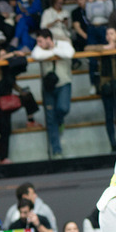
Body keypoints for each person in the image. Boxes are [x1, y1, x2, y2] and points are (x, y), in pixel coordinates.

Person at [30, 28, 75, 159]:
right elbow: (36, 55)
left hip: (64, 83)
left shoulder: (63, 44)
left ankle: (60, 121)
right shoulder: (39, 48)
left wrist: (52, 50)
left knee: (63, 108)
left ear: (48, 39)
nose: (38, 44)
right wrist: (53, 53)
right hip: (48, 87)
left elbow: (69, 54)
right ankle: (56, 151)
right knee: (50, 119)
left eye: (40, 41)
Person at [86, 26, 116, 151]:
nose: (109, 36)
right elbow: (88, 48)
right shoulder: (102, 48)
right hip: (106, 85)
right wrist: (105, 48)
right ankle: (112, 144)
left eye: (112, 33)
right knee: (109, 115)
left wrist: (115, 46)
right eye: (107, 34)